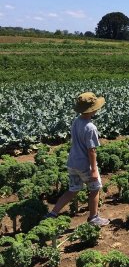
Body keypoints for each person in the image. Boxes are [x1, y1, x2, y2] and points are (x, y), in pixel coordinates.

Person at [44, 92, 110, 226]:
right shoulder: (91, 127)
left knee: (72, 189)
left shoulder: (77, 121)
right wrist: (94, 170)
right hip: (85, 165)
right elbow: (91, 151)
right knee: (95, 188)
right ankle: (93, 217)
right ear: (93, 109)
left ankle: (53, 213)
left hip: (72, 162)